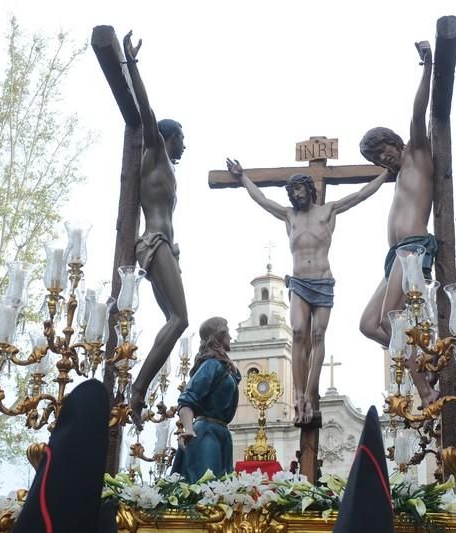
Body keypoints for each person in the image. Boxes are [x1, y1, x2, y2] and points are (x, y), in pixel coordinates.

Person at [226, 159, 390, 424]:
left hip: (323, 281)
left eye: (299, 190)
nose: (296, 195)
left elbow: (361, 194)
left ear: (309, 189)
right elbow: (263, 200)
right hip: (300, 282)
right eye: (292, 193)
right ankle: (299, 396)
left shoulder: (328, 211)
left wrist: (385, 174)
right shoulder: (290, 216)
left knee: (317, 335)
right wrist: (243, 177)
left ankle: (311, 394)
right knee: (299, 333)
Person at [358, 42, 438, 407]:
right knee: (369, 324)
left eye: (382, 150)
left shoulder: (418, 154)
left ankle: (426, 386)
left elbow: (418, 112)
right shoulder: (397, 173)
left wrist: (428, 66)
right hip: (395, 256)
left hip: (413, 248)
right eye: (376, 157)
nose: (382, 158)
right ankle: (427, 360)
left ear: (394, 140)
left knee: (391, 318)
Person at [123, 31, 189, 428]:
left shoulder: (164, 168)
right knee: (180, 319)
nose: (185, 146)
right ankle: (137, 388)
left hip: (165, 246)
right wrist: (132, 65)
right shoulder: (156, 153)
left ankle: (138, 389)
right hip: (154, 241)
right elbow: (147, 111)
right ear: (169, 137)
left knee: (174, 319)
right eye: (182, 139)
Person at [171, 317, 241, 482]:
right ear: (219, 336)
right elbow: (186, 400)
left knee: (222, 492)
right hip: (206, 434)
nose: (230, 337)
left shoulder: (224, 368)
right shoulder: (212, 365)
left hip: (221, 433)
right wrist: (188, 429)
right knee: (207, 489)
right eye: (227, 333)